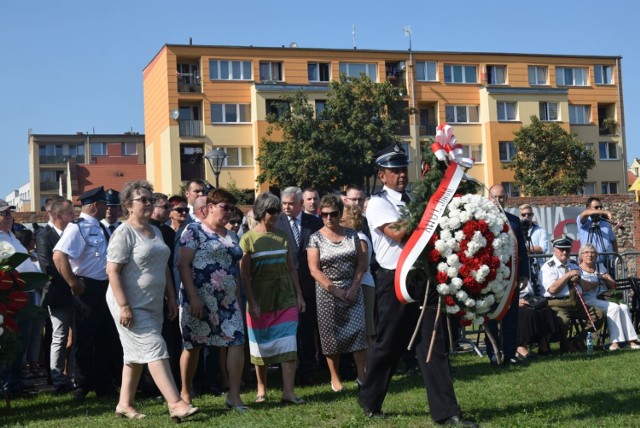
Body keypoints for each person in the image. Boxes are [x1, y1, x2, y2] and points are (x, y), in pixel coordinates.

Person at [357, 144, 476, 426]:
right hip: (394, 281)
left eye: (403, 169)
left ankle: (447, 412)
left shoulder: (414, 200)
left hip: (423, 279)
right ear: (381, 175)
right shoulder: (378, 203)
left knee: (433, 346)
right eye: (394, 171)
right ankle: (369, 397)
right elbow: (398, 233)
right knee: (389, 345)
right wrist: (428, 214)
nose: (401, 175)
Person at [105, 180, 198, 421]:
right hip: (129, 305)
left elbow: (164, 268)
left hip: (153, 302)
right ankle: (176, 403)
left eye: (150, 199)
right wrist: (124, 306)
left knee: (135, 356)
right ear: (128, 205)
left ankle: (124, 404)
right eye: (143, 200)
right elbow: (112, 271)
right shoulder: (123, 232)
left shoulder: (156, 231)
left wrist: (170, 297)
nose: (149, 204)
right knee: (155, 347)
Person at [177, 188, 247, 411]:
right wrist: (193, 297)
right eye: (224, 207)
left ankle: (234, 396)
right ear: (209, 208)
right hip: (199, 300)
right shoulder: (194, 230)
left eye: (232, 208)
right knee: (193, 345)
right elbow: (183, 264)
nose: (228, 212)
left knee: (236, 341)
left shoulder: (232, 235)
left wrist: (237, 299)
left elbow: (233, 270)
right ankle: (185, 393)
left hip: (228, 302)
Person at [52, 186, 122, 401]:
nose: (106, 209)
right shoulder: (77, 228)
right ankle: (81, 384)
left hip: (105, 287)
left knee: (106, 337)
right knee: (85, 338)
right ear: (94, 205)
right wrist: (73, 283)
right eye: (103, 204)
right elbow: (58, 255)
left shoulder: (101, 227)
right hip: (88, 287)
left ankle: (103, 382)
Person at [239, 192, 306, 404]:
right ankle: (262, 389)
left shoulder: (282, 236)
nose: (276, 215)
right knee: (261, 346)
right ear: (260, 212)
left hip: (285, 298)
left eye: (278, 211)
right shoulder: (247, 239)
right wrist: (252, 302)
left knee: (288, 344)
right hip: (260, 299)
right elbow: (244, 275)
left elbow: (291, 269)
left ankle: (288, 392)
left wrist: (299, 296)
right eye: (272, 211)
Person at [308, 195, 368, 392]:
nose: (329, 218)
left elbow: (361, 263)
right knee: (330, 338)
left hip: (352, 289)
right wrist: (334, 289)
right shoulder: (315, 237)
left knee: (359, 333)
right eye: (324, 214)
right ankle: (335, 379)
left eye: (333, 214)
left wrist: (353, 287)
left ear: (340, 213)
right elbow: (314, 269)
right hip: (327, 293)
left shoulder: (353, 235)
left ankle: (362, 375)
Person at [275, 187, 323, 386]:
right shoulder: (276, 222)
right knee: (286, 329)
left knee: (307, 328)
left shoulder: (315, 222)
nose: (286, 207)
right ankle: (286, 371)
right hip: (284, 283)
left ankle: (307, 370)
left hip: (309, 283)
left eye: (291, 203)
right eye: (284, 203)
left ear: (300, 204)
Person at [484, 185, 529, 366]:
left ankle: (510, 352)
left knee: (511, 318)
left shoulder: (514, 221)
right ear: (489, 198)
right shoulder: (482, 220)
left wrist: (524, 274)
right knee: (491, 317)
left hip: (511, 277)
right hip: (490, 278)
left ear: (507, 199)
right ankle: (494, 353)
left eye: (502, 197)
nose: (498, 201)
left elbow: (522, 250)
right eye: (495, 197)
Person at [36, 198, 76, 394]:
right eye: (70, 213)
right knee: (59, 336)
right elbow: (48, 267)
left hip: (78, 293)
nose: (74, 216)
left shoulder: (74, 231)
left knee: (78, 334)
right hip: (59, 294)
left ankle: (76, 374)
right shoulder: (44, 235)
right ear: (59, 216)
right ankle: (58, 377)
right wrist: (72, 281)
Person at [540, 235, 604, 353]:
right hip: (558, 303)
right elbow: (552, 289)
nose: (565, 252)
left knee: (599, 314)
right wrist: (567, 276)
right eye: (561, 249)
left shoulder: (573, 264)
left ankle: (578, 340)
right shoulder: (548, 267)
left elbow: (584, 287)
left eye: (567, 250)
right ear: (555, 250)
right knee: (563, 321)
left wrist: (578, 279)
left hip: (576, 301)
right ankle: (562, 344)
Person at [578, 243, 640, 351]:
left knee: (624, 307)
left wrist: (606, 278)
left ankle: (631, 340)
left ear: (596, 255)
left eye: (592, 253)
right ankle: (615, 342)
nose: (589, 255)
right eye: (586, 253)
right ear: (581, 255)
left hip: (603, 296)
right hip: (589, 298)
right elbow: (582, 287)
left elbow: (613, 285)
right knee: (614, 308)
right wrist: (593, 283)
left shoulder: (599, 266)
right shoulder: (578, 270)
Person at [342, 204, 376, 341]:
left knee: (365, 329)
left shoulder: (360, 238)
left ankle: (369, 362)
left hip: (363, 285)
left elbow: (363, 266)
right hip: (356, 285)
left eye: (342, 217)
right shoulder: (351, 237)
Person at [577, 197, 620, 267]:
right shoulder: (584, 220)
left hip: (607, 263)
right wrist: (605, 212)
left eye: (600, 207)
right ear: (588, 208)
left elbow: (613, 241)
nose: (599, 209)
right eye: (596, 207)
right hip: (589, 262)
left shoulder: (605, 222)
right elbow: (585, 213)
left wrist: (615, 257)